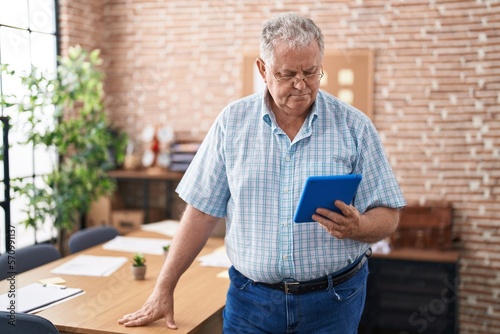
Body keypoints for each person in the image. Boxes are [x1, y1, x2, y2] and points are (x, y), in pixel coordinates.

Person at [118, 12, 406, 333]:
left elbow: (389, 214)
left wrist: (359, 226)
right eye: (286, 74)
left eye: (311, 72)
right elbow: (200, 212)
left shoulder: (355, 126)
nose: (301, 85)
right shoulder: (232, 122)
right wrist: (164, 287)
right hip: (250, 302)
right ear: (262, 69)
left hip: (333, 301)